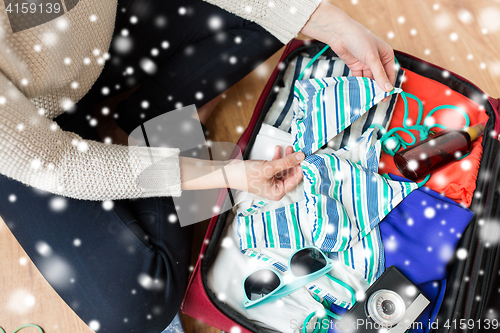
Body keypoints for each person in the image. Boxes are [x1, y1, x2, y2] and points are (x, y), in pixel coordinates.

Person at [0, 0, 396, 332]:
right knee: (138, 306)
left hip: (91, 43)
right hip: (27, 142)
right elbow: (60, 162)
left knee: (274, 14)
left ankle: (160, 120)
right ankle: (170, 127)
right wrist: (224, 174)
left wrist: (334, 25)